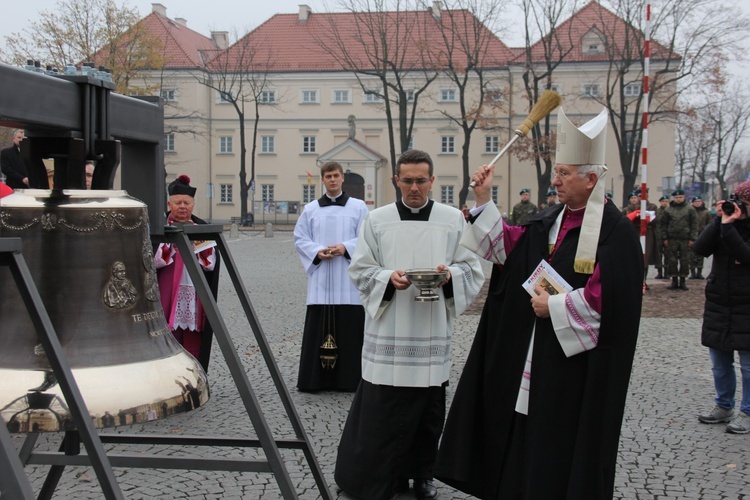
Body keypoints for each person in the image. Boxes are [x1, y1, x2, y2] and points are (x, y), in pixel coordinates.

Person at [435, 107, 643, 499]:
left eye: (564, 173)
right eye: (557, 171)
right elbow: (508, 247)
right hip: (533, 351)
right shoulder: (552, 218)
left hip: (575, 365)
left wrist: (557, 308)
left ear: (592, 179)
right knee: (526, 426)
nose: (555, 180)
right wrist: (483, 198)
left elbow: (610, 301)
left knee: (561, 435)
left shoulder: (616, 233)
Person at [334, 149, 484, 500]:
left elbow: (472, 268)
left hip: (431, 330)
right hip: (389, 329)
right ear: (395, 180)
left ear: (432, 181)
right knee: (384, 410)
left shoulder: (451, 219)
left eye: (421, 180)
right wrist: (389, 278)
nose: (414, 187)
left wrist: (450, 275)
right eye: (407, 180)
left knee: (429, 410)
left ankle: (423, 474)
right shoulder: (377, 219)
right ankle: (385, 476)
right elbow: (360, 269)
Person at [293, 161, 369, 392]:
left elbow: (367, 237)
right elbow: (300, 238)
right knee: (318, 329)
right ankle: (314, 381)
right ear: (323, 180)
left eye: (336, 175)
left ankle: (351, 380)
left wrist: (346, 247)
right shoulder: (311, 209)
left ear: (342, 178)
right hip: (321, 281)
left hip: (348, 283)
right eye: (328, 176)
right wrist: (317, 251)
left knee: (350, 331)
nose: (333, 180)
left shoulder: (358, 207)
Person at [693, 181, 750, 434]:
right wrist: (719, 221)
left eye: (744, 203)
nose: (738, 207)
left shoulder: (734, 229)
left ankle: (747, 411)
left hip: (747, 303)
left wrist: (729, 228)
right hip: (719, 301)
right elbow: (700, 249)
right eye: (736, 200)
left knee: (748, 365)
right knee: (719, 361)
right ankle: (724, 405)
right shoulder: (724, 223)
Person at [154, 175, 220, 372]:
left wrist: (195, 243)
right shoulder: (159, 226)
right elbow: (155, 261)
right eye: (177, 202)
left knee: (193, 334)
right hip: (167, 288)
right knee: (168, 330)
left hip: (195, 291)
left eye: (186, 202)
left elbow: (210, 265)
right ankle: (168, 372)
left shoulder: (201, 227)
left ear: (193, 204)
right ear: (169, 204)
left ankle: (194, 373)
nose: (182, 206)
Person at [660, 189, 698, 290]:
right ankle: (674, 280)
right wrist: (665, 238)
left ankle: (683, 280)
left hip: (685, 238)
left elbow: (694, 224)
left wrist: (692, 238)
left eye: (680, 197)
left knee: (684, 260)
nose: (678, 199)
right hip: (671, 238)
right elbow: (663, 225)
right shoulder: (668, 210)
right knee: (672, 260)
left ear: (684, 197)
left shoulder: (690, 209)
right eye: (676, 197)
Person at [622, 190, 658, 288]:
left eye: (643, 195)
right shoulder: (629, 209)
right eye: (639, 196)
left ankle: (643, 281)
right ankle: (633, 281)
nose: (640, 198)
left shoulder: (652, 207)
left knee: (644, 258)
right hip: (633, 233)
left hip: (646, 233)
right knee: (633, 257)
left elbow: (656, 220)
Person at [689, 196, 712, 279]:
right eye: (696, 201)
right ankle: (692, 272)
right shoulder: (690, 211)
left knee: (700, 255)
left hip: (702, 235)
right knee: (691, 255)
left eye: (699, 201)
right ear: (692, 203)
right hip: (692, 235)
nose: (698, 203)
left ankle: (699, 272)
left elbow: (710, 224)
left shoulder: (706, 212)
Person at [653, 195, 670, 279]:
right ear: (660, 202)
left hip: (668, 236)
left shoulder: (671, 211)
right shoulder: (656, 212)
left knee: (668, 255)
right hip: (658, 236)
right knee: (658, 255)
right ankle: (659, 272)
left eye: (666, 201)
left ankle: (667, 272)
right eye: (663, 201)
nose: (665, 203)